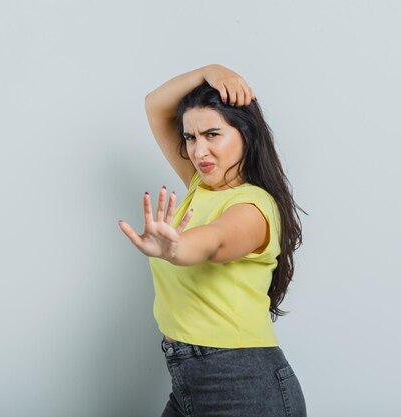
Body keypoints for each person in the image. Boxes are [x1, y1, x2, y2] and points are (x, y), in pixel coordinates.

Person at [118, 64, 308, 417]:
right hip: (189, 379)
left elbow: (216, 240)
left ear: (246, 135)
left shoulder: (253, 205)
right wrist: (211, 70)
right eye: (190, 137)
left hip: (244, 385)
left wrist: (176, 248)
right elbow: (155, 105)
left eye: (212, 134)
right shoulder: (201, 185)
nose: (198, 151)